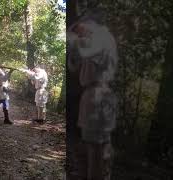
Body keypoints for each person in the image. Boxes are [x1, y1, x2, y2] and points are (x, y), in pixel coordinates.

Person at [68, 9, 118, 180]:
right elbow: (76, 67)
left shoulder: (100, 37)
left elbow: (82, 50)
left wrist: (73, 39)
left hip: (98, 96)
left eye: (79, 29)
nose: (79, 33)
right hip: (95, 95)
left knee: (96, 150)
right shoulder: (99, 40)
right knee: (95, 148)